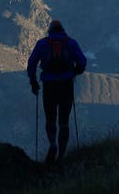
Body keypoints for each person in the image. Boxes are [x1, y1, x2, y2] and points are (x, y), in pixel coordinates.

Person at [27, 19, 87, 164]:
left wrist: (33, 82)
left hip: (49, 85)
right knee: (64, 121)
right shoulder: (71, 43)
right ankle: (61, 154)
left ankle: (52, 143)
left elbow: (31, 63)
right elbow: (82, 62)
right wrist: (75, 72)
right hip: (66, 84)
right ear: (63, 30)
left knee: (50, 118)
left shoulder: (42, 44)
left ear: (50, 31)